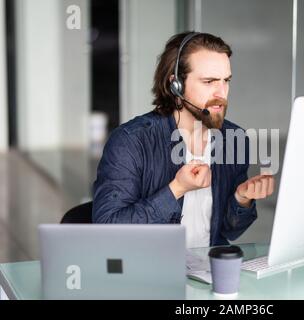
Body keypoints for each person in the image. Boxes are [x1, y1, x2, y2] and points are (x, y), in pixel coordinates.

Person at [92, 31, 274, 247]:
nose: (221, 93)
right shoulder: (131, 141)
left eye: (226, 81)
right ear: (176, 85)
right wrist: (177, 188)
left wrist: (242, 199)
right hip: (150, 269)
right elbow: (109, 230)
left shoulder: (235, 139)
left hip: (207, 271)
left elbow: (228, 230)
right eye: (209, 82)